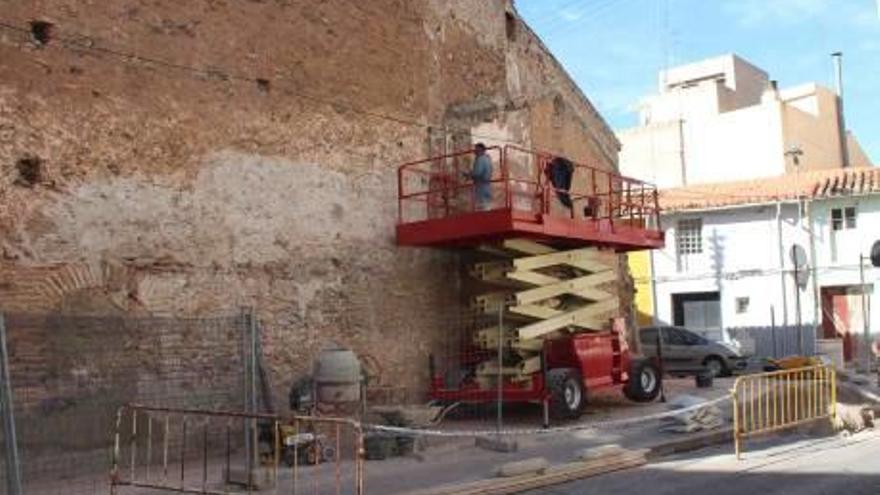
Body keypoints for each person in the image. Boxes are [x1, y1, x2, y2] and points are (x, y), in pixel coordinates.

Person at [463, 143, 493, 210]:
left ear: (481, 150)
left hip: (481, 186)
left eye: (476, 149)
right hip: (487, 185)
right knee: (487, 205)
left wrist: (468, 175)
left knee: (481, 206)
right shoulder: (488, 159)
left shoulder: (480, 159)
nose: (475, 151)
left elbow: (477, 172)